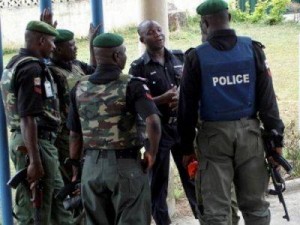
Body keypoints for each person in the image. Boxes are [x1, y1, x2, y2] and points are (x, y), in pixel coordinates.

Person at [178, 0, 285, 224]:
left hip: (213, 138)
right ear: (230, 18)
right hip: (250, 136)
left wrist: (186, 147)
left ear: (204, 23)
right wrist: (276, 138)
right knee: (256, 205)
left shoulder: (196, 57)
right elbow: (268, 100)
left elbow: (186, 108)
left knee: (216, 209)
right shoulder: (253, 49)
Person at [67, 32, 162, 225]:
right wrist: (151, 153)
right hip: (124, 165)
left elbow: (74, 135)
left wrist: (76, 167)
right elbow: (153, 121)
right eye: (124, 52)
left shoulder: (78, 87)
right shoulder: (133, 85)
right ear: (117, 56)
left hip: (91, 167)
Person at [1, 21, 74, 225]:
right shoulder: (31, 69)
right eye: (51, 42)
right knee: (36, 211)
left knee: (59, 205)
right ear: (41, 41)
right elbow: (28, 117)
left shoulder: (18, 63)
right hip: (35, 143)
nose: (53, 47)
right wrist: (34, 160)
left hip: (40, 143)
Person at [129, 20, 198, 225]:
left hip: (183, 127)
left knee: (193, 174)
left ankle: (204, 216)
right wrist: (162, 99)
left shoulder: (180, 57)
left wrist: (182, 98)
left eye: (159, 30)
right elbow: (136, 103)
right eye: (150, 32)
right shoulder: (138, 67)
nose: (157, 34)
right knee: (158, 183)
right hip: (158, 131)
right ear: (142, 39)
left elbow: (192, 88)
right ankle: (162, 221)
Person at [48, 27, 98, 183]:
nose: (76, 47)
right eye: (72, 45)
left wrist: (91, 45)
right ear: (58, 49)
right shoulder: (52, 72)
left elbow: (95, 72)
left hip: (83, 129)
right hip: (65, 135)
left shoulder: (75, 64)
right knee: (72, 178)